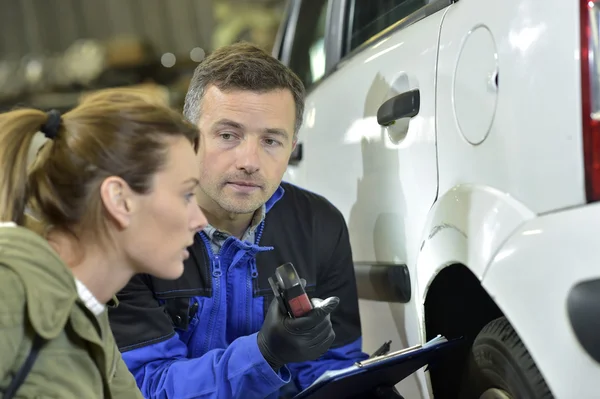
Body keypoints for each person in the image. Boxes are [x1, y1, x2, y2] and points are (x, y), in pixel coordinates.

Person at [107, 42, 369, 399]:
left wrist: (362, 388)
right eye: (228, 135)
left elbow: (330, 365)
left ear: (292, 147)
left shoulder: (319, 225)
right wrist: (263, 354)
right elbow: (146, 386)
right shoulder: (133, 233)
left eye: (271, 140)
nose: (249, 160)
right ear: (189, 137)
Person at [0, 88, 207, 398]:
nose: (199, 219)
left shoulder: (90, 315)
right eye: (186, 195)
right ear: (119, 200)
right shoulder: (10, 287)